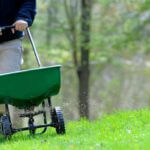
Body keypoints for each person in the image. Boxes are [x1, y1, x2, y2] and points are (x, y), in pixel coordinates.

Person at [0, 0, 36, 127]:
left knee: (6, 80)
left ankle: (3, 118)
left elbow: (28, 1)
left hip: (11, 39)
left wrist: (23, 18)